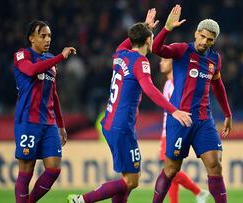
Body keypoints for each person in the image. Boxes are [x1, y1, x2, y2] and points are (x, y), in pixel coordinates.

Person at [67, 9, 192, 203]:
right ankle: (82, 200)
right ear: (149, 41)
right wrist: (173, 110)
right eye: (151, 38)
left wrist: (145, 26)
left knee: (127, 178)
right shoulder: (141, 62)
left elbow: (131, 39)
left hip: (110, 122)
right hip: (122, 126)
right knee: (132, 181)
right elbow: (149, 89)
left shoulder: (120, 54)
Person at [151, 5, 232, 203]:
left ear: (214, 40)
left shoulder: (214, 59)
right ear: (196, 33)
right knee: (171, 170)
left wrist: (228, 114)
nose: (205, 42)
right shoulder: (181, 50)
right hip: (180, 119)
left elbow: (218, 85)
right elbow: (156, 49)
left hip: (204, 120)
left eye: (210, 39)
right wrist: (167, 28)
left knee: (215, 165)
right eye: (202, 36)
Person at [13, 20, 76, 203]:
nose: (48, 39)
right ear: (32, 38)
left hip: (49, 122)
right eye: (43, 36)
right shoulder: (22, 55)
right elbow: (31, 71)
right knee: (26, 170)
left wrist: (61, 125)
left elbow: (53, 95)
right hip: (28, 120)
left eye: (49, 36)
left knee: (54, 169)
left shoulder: (50, 60)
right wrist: (60, 57)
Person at [159, 58, 210, 203]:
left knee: (169, 169)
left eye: (165, 60)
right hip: (166, 131)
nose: (161, 62)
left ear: (173, 64)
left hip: (174, 132)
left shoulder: (177, 83)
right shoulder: (168, 83)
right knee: (171, 172)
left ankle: (199, 192)